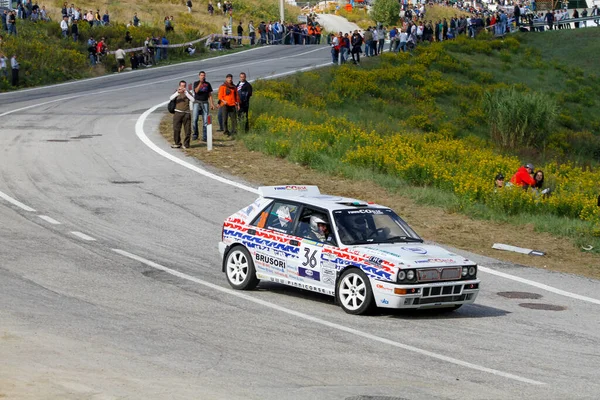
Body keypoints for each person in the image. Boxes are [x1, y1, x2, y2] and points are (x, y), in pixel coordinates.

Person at [169, 80, 194, 149]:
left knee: (187, 130)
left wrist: (186, 93)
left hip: (186, 113)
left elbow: (193, 100)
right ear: (179, 86)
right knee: (176, 129)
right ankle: (177, 143)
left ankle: (186, 144)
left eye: (184, 86)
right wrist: (178, 92)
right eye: (182, 86)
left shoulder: (188, 93)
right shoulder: (176, 92)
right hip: (177, 112)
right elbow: (171, 98)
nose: (183, 87)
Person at [192, 71, 216, 141]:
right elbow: (196, 91)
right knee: (195, 119)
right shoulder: (196, 83)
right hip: (197, 102)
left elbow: (210, 95)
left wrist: (212, 104)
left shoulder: (207, 84)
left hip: (205, 103)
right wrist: (201, 83)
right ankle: (195, 134)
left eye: (204, 75)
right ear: (199, 76)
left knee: (205, 120)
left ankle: (205, 136)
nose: (203, 76)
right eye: (201, 75)